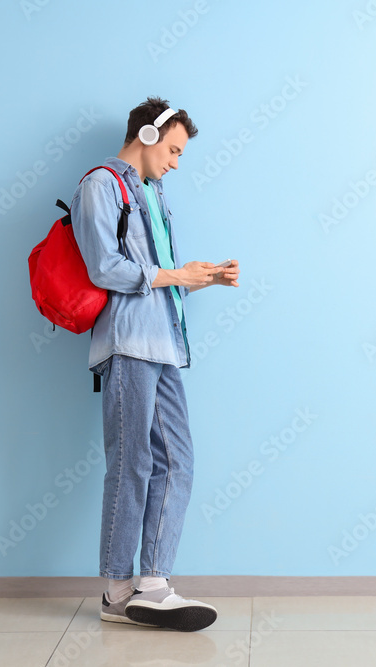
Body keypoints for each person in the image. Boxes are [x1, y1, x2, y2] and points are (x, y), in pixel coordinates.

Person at [70, 96, 239, 632]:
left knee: (178, 462)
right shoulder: (100, 184)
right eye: (172, 149)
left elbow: (158, 273)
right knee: (132, 462)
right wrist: (174, 276)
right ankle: (119, 590)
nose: (174, 161)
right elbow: (105, 268)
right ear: (146, 136)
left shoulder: (152, 193)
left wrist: (200, 276)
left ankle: (153, 583)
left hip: (164, 344)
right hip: (127, 343)